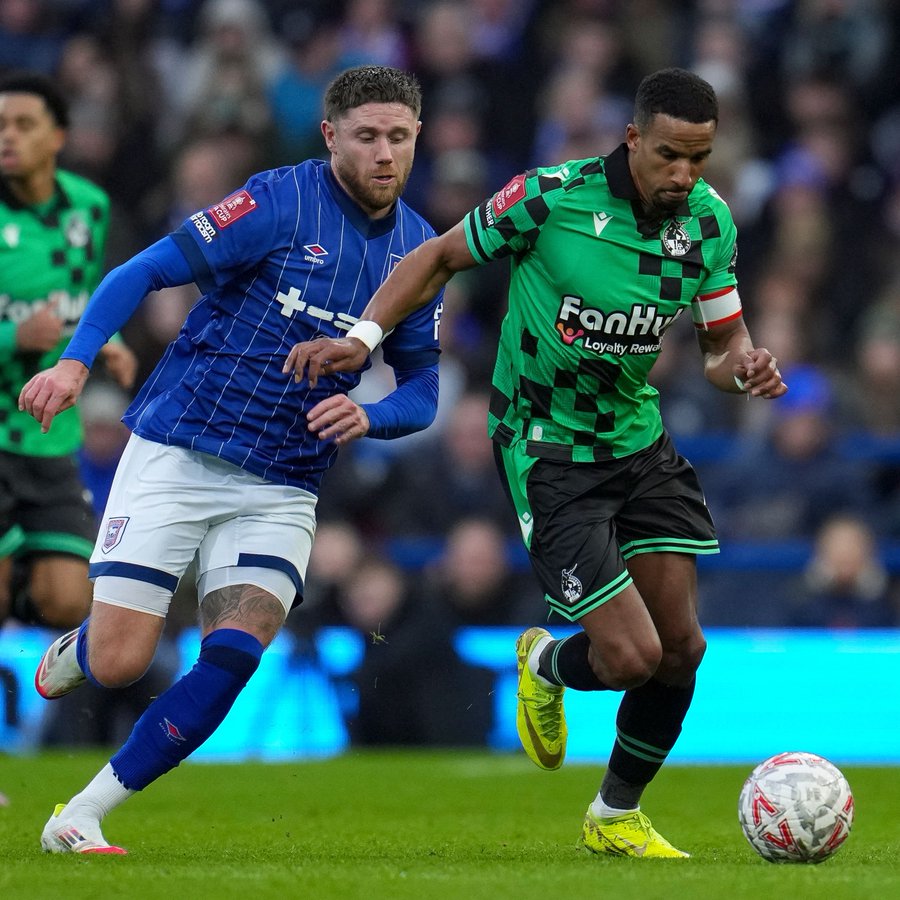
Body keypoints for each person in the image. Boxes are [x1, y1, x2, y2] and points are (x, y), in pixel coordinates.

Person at [285, 67, 788, 859]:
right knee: (630, 658)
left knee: (683, 647)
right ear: (633, 139)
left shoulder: (710, 223)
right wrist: (361, 339)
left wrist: (747, 367)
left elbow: (721, 348)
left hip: (638, 443)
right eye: (669, 156)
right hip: (547, 446)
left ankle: (615, 814)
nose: (685, 174)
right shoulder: (551, 197)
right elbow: (441, 258)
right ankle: (547, 661)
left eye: (700, 157)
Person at [19, 64, 442, 855]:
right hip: (181, 449)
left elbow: (423, 385)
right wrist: (76, 361)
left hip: (283, 482)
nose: (385, 153)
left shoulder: (420, 251)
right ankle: (81, 648)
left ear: (417, 137)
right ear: (330, 136)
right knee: (117, 664)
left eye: (399, 137)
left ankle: (82, 814)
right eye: (367, 136)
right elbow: (141, 271)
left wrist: (371, 414)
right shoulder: (278, 201)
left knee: (234, 654)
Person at [0, 71, 137, 631]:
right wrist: (13, 337)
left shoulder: (91, 208)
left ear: (57, 137)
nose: (7, 136)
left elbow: (86, 296)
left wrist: (112, 340)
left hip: (50, 435)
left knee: (68, 602)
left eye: (23, 125)